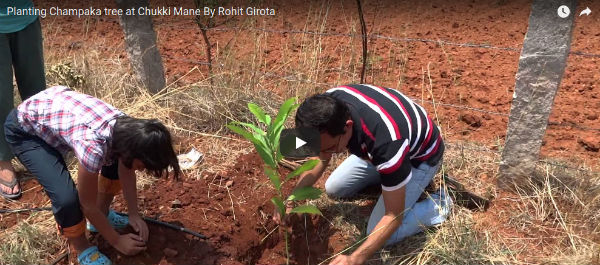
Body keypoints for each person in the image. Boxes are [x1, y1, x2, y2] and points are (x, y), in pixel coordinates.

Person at [3, 86, 181, 265]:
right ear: (133, 152)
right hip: (26, 131)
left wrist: (134, 213)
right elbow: (86, 205)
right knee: (66, 198)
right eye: (142, 165)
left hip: (53, 113)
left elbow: (126, 169)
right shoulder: (93, 146)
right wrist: (117, 241)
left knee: (114, 162)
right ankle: (82, 247)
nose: (141, 170)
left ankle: (99, 218)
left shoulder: (127, 131)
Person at [288, 84, 452, 265]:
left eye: (330, 148)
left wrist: (355, 258)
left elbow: (393, 216)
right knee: (334, 188)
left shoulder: (387, 144)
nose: (326, 153)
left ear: (348, 126)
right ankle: (390, 182)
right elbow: (320, 156)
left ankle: (440, 203)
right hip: (379, 151)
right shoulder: (326, 107)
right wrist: (292, 198)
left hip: (419, 158)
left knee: (380, 232)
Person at [0, 0, 46, 199]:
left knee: (37, 92)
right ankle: (3, 161)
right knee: (1, 98)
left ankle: (41, 147)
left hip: (25, 16)